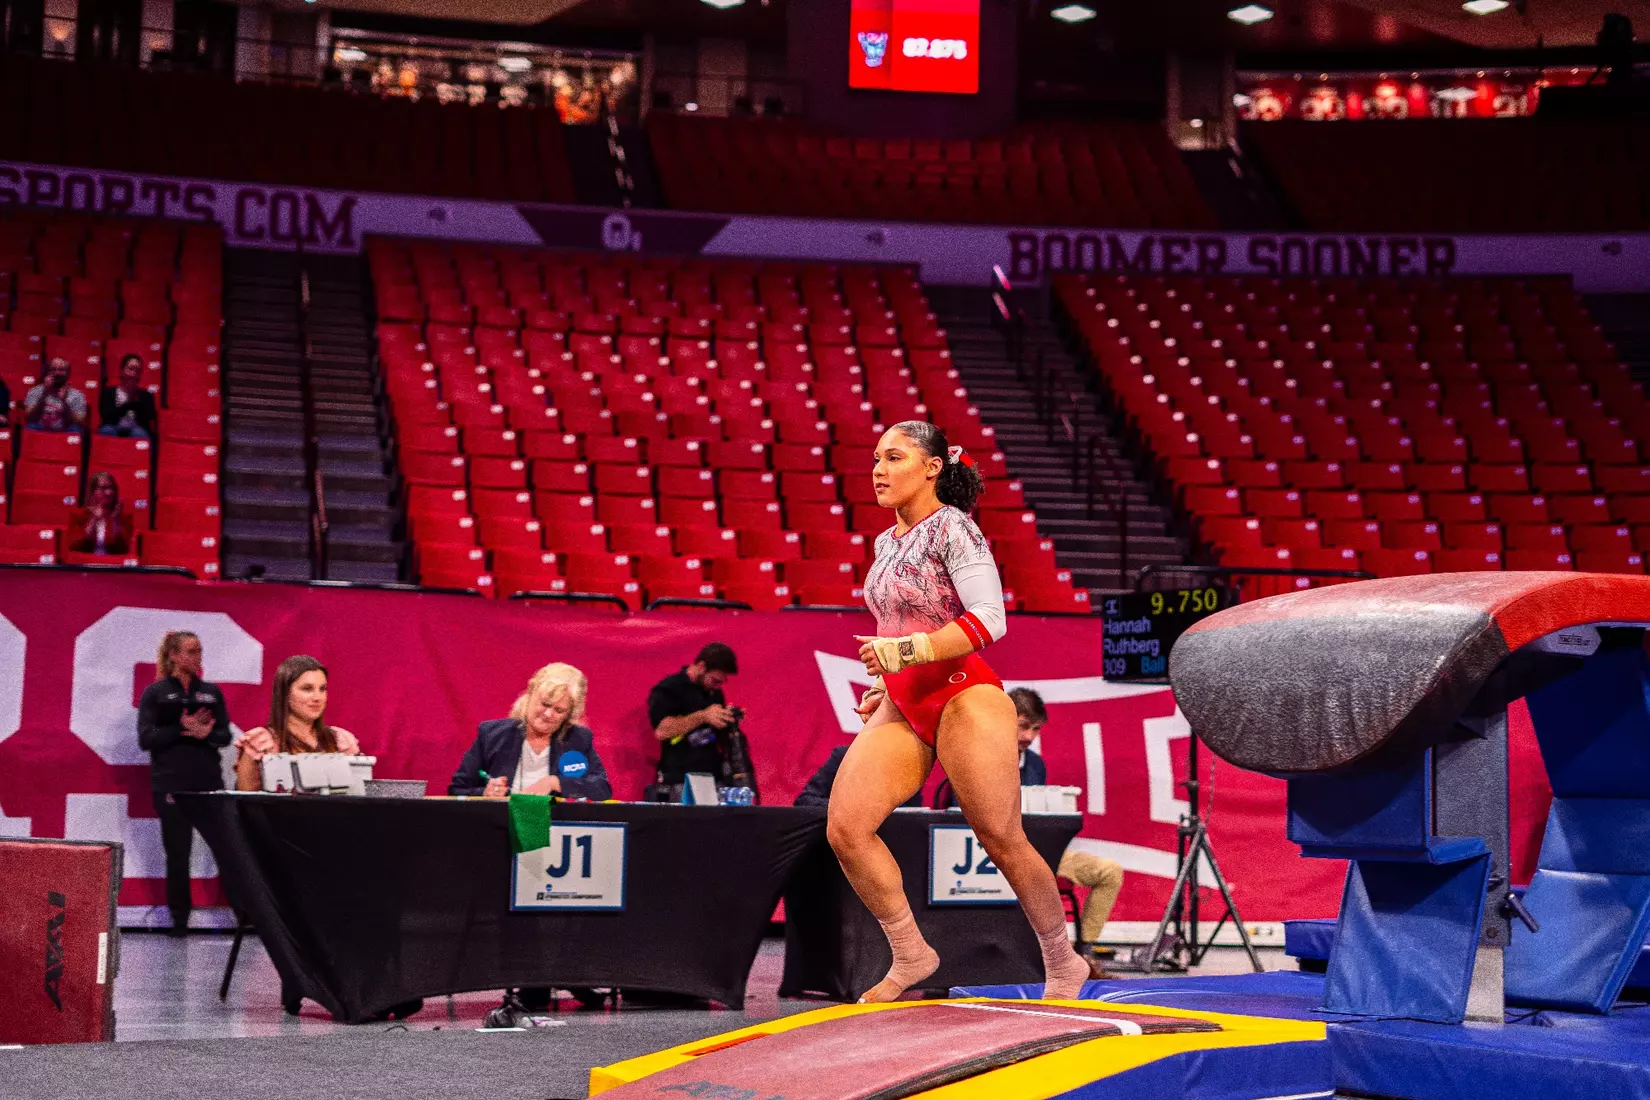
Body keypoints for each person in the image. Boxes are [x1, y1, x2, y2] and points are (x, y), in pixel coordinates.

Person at [828, 420, 1091, 1002]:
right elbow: (897, 624)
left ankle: (1062, 959)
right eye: (875, 459)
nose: (878, 470)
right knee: (846, 828)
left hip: (964, 693)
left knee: (1000, 836)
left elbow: (989, 618)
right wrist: (888, 681)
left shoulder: (955, 528)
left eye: (894, 458)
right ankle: (911, 953)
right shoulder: (886, 542)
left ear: (932, 468)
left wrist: (905, 652)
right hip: (906, 701)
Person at [939, 687, 1125, 955]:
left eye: (1036, 729)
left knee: (1109, 871)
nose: (1029, 736)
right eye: (1023, 726)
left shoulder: (1036, 764)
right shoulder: (975, 757)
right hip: (988, 856)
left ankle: (1084, 952)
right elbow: (960, 821)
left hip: (1039, 851)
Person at [137, 630, 232, 935]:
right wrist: (180, 728)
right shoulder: (156, 693)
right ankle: (179, 920)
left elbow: (225, 736)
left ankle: (244, 914)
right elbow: (146, 739)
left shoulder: (211, 693)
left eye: (199, 650)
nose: (197, 657)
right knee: (178, 853)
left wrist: (207, 734)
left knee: (227, 848)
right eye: (191, 651)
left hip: (208, 783)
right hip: (171, 785)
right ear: (174, 655)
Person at [448, 662, 612, 800]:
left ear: (569, 714)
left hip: (554, 824)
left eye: (559, 710)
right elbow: (458, 789)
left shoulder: (578, 739)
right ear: (530, 694)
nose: (548, 714)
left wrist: (555, 783)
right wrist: (484, 793)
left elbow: (601, 789)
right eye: (545, 704)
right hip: (499, 822)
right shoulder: (492, 735)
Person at [233, 655, 363, 790]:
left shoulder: (340, 741)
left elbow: (356, 795)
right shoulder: (260, 743)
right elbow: (246, 800)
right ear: (285, 693)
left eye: (322, 689)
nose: (317, 697)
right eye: (307, 689)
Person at [645, 642, 751, 794]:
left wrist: (727, 718)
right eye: (715, 681)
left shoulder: (714, 693)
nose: (718, 686)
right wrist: (703, 716)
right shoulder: (670, 688)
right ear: (701, 667)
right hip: (681, 779)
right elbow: (662, 731)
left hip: (714, 777)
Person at [795, 743, 922, 810]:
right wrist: (851, 808)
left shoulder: (907, 764)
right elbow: (805, 801)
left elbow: (913, 812)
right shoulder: (843, 757)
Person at [67, 471, 131, 556]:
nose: (109, 492)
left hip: (113, 562)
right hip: (85, 561)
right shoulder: (78, 515)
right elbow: (76, 547)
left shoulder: (124, 517)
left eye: (112, 488)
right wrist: (94, 519)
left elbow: (123, 549)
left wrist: (115, 520)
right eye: (103, 488)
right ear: (93, 491)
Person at [99, 354, 158, 438]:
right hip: (113, 426)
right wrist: (127, 403)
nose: (133, 374)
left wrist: (136, 400)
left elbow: (148, 419)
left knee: (139, 434)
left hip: (136, 429)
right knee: (107, 430)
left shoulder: (147, 395)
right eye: (130, 369)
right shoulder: (108, 392)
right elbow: (106, 416)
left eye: (138, 371)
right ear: (122, 371)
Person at [23, 357, 88, 433]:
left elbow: (80, 421)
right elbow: (28, 416)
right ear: (48, 372)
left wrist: (64, 401)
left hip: (65, 431)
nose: (57, 373)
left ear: (68, 373)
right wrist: (44, 393)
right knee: (31, 427)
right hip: (41, 429)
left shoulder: (77, 395)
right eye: (53, 369)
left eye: (61, 370)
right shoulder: (35, 391)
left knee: (75, 429)